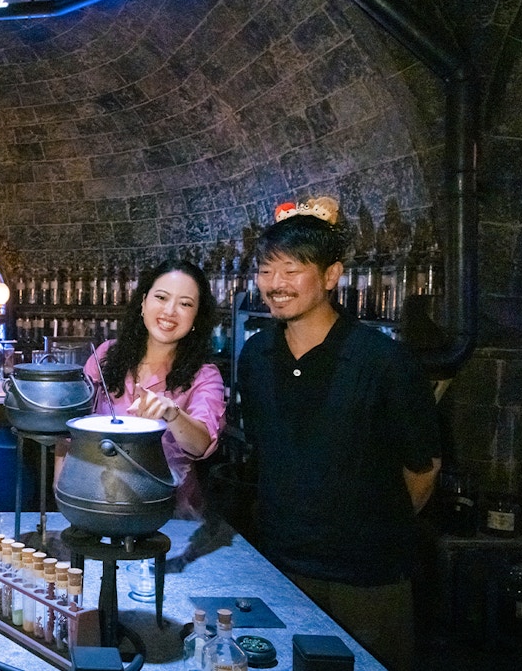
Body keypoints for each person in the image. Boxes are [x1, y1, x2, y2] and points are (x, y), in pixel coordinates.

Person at [237, 210, 441, 671]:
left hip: (367, 578)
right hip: (280, 565)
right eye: (266, 271)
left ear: (331, 276)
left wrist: (364, 528)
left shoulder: (382, 361)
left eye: (292, 270)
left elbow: (423, 469)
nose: (276, 283)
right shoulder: (256, 354)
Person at [69, 258, 226, 521]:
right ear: (143, 303)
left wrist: (172, 413)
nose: (170, 311)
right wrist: (62, 486)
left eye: (185, 304)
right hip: (97, 502)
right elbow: (72, 428)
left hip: (170, 514)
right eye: (161, 298)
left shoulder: (205, 375)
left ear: (196, 317)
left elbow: (201, 445)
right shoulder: (105, 355)